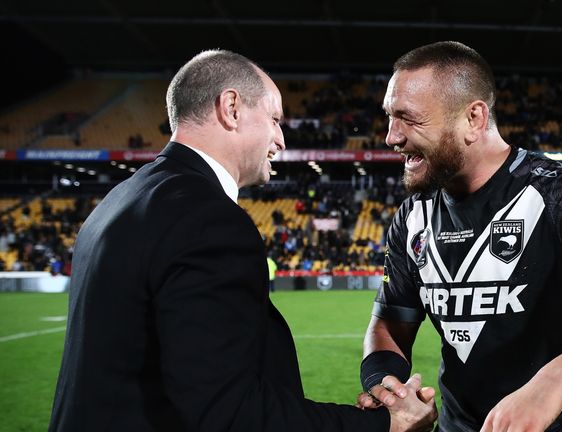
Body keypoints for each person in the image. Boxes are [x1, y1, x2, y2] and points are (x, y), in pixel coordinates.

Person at [49, 49, 436, 432]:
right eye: (274, 120)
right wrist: (382, 425)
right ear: (231, 108)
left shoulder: (119, 199)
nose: (281, 139)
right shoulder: (208, 219)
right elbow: (229, 413)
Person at [357, 41, 562, 431]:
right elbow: (389, 324)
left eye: (408, 119)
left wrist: (554, 382)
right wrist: (388, 388)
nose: (390, 137)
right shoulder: (413, 216)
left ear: (474, 118)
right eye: (388, 117)